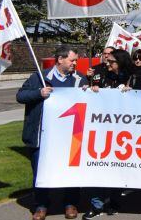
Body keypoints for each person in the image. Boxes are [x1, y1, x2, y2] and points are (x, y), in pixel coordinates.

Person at [16, 46, 86, 220]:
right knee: (40, 171)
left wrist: (91, 92)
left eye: (76, 60)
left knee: (70, 170)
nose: (75, 63)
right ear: (60, 59)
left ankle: (70, 203)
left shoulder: (80, 79)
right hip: (41, 135)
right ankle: (41, 205)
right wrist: (39, 93)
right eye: (72, 60)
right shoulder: (39, 77)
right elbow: (20, 96)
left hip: (70, 136)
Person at [82, 49, 133, 219]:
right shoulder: (102, 74)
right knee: (96, 167)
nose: (108, 63)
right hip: (101, 130)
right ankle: (96, 205)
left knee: (117, 169)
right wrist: (88, 87)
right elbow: (91, 93)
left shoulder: (132, 77)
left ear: (120, 62)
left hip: (123, 133)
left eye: (111, 61)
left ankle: (114, 202)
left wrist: (133, 92)